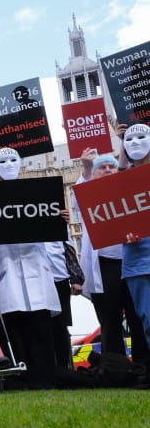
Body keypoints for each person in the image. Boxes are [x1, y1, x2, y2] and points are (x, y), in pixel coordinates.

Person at [0, 147, 60, 389]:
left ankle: (46, 378)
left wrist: (59, 218)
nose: (8, 164)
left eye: (13, 159)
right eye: (2, 161)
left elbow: (51, 229)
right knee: (14, 329)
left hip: (36, 269)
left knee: (40, 328)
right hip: (7, 271)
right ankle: (19, 379)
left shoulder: (36, 192)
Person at [76, 149, 149, 366]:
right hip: (105, 263)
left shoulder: (130, 190)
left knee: (137, 315)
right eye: (102, 167)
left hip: (132, 260)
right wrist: (87, 168)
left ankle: (143, 365)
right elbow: (79, 200)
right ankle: (115, 367)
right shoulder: (88, 192)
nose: (108, 169)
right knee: (109, 318)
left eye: (112, 166)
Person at [121, 123, 150, 348]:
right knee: (147, 319)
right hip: (137, 260)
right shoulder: (119, 183)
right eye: (128, 140)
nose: (135, 143)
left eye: (141, 137)